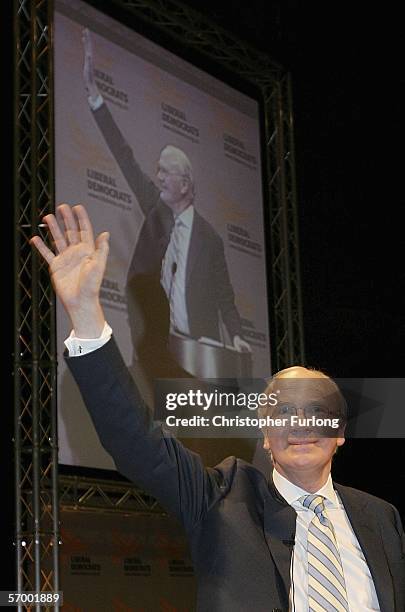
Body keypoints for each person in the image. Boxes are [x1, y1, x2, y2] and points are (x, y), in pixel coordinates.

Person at [31, 205, 405, 611]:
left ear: (340, 432)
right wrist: (86, 313)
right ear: (265, 435)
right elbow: (135, 440)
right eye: (284, 412)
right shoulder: (222, 500)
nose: (300, 424)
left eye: (316, 410)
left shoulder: (382, 519)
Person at [82, 29, 250, 384]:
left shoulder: (211, 240)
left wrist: (236, 335)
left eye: (164, 172)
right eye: (157, 170)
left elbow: (226, 300)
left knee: (193, 434)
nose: (157, 177)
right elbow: (124, 156)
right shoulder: (156, 211)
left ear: (185, 185)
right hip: (156, 346)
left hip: (197, 358)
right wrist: (96, 96)